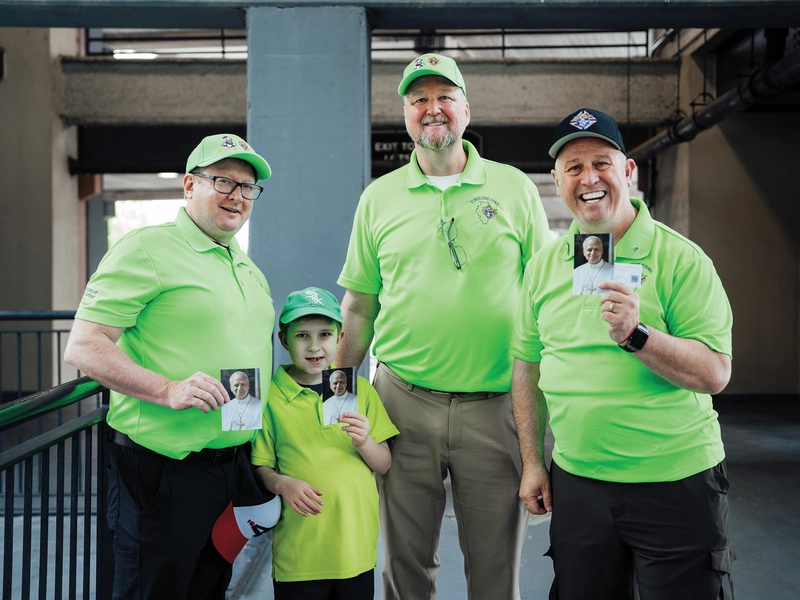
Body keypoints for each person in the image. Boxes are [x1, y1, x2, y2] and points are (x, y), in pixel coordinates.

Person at [335, 53, 551, 600]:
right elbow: (359, 307)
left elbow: (545, 299)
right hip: (402, 403)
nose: (433, 110)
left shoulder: (514, 189)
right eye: (419, 101)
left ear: (466, 109)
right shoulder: (377, 199)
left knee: (496, 568)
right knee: (404, 567)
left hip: (497, 402)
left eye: (444, 98)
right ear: (406, 115)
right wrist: (337, 391)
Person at [510, 108, 735, 600]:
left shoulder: (682, 260)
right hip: (579, 482)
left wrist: (637, 335)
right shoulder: (543, 267)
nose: (588, 178)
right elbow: (526, 365)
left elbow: (716, 373)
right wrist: (533, 461)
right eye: (573, 168)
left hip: (675, 481)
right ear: (556, 181)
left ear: (628, 172)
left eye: (601, 163)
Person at [63, 133, 274, 600]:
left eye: (247, 187)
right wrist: (166, 389)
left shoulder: (244, 265)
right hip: (163, 470)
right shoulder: (147, 248)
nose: (237, 195)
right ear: (188, 186)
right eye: (223, 181)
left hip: (227, 468)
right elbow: (83, 345)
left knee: (207, 589)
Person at [252, 287, 399, 600]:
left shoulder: (359, 390)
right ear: (283, 340)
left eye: (324, 335)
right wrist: (283, 484)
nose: (314, 345)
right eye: (302, 335)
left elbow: (384, 463)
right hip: (300, 554)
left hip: (355, 553)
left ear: (340, 338)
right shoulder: (270, 397)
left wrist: (365, 441)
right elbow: (261, 465)